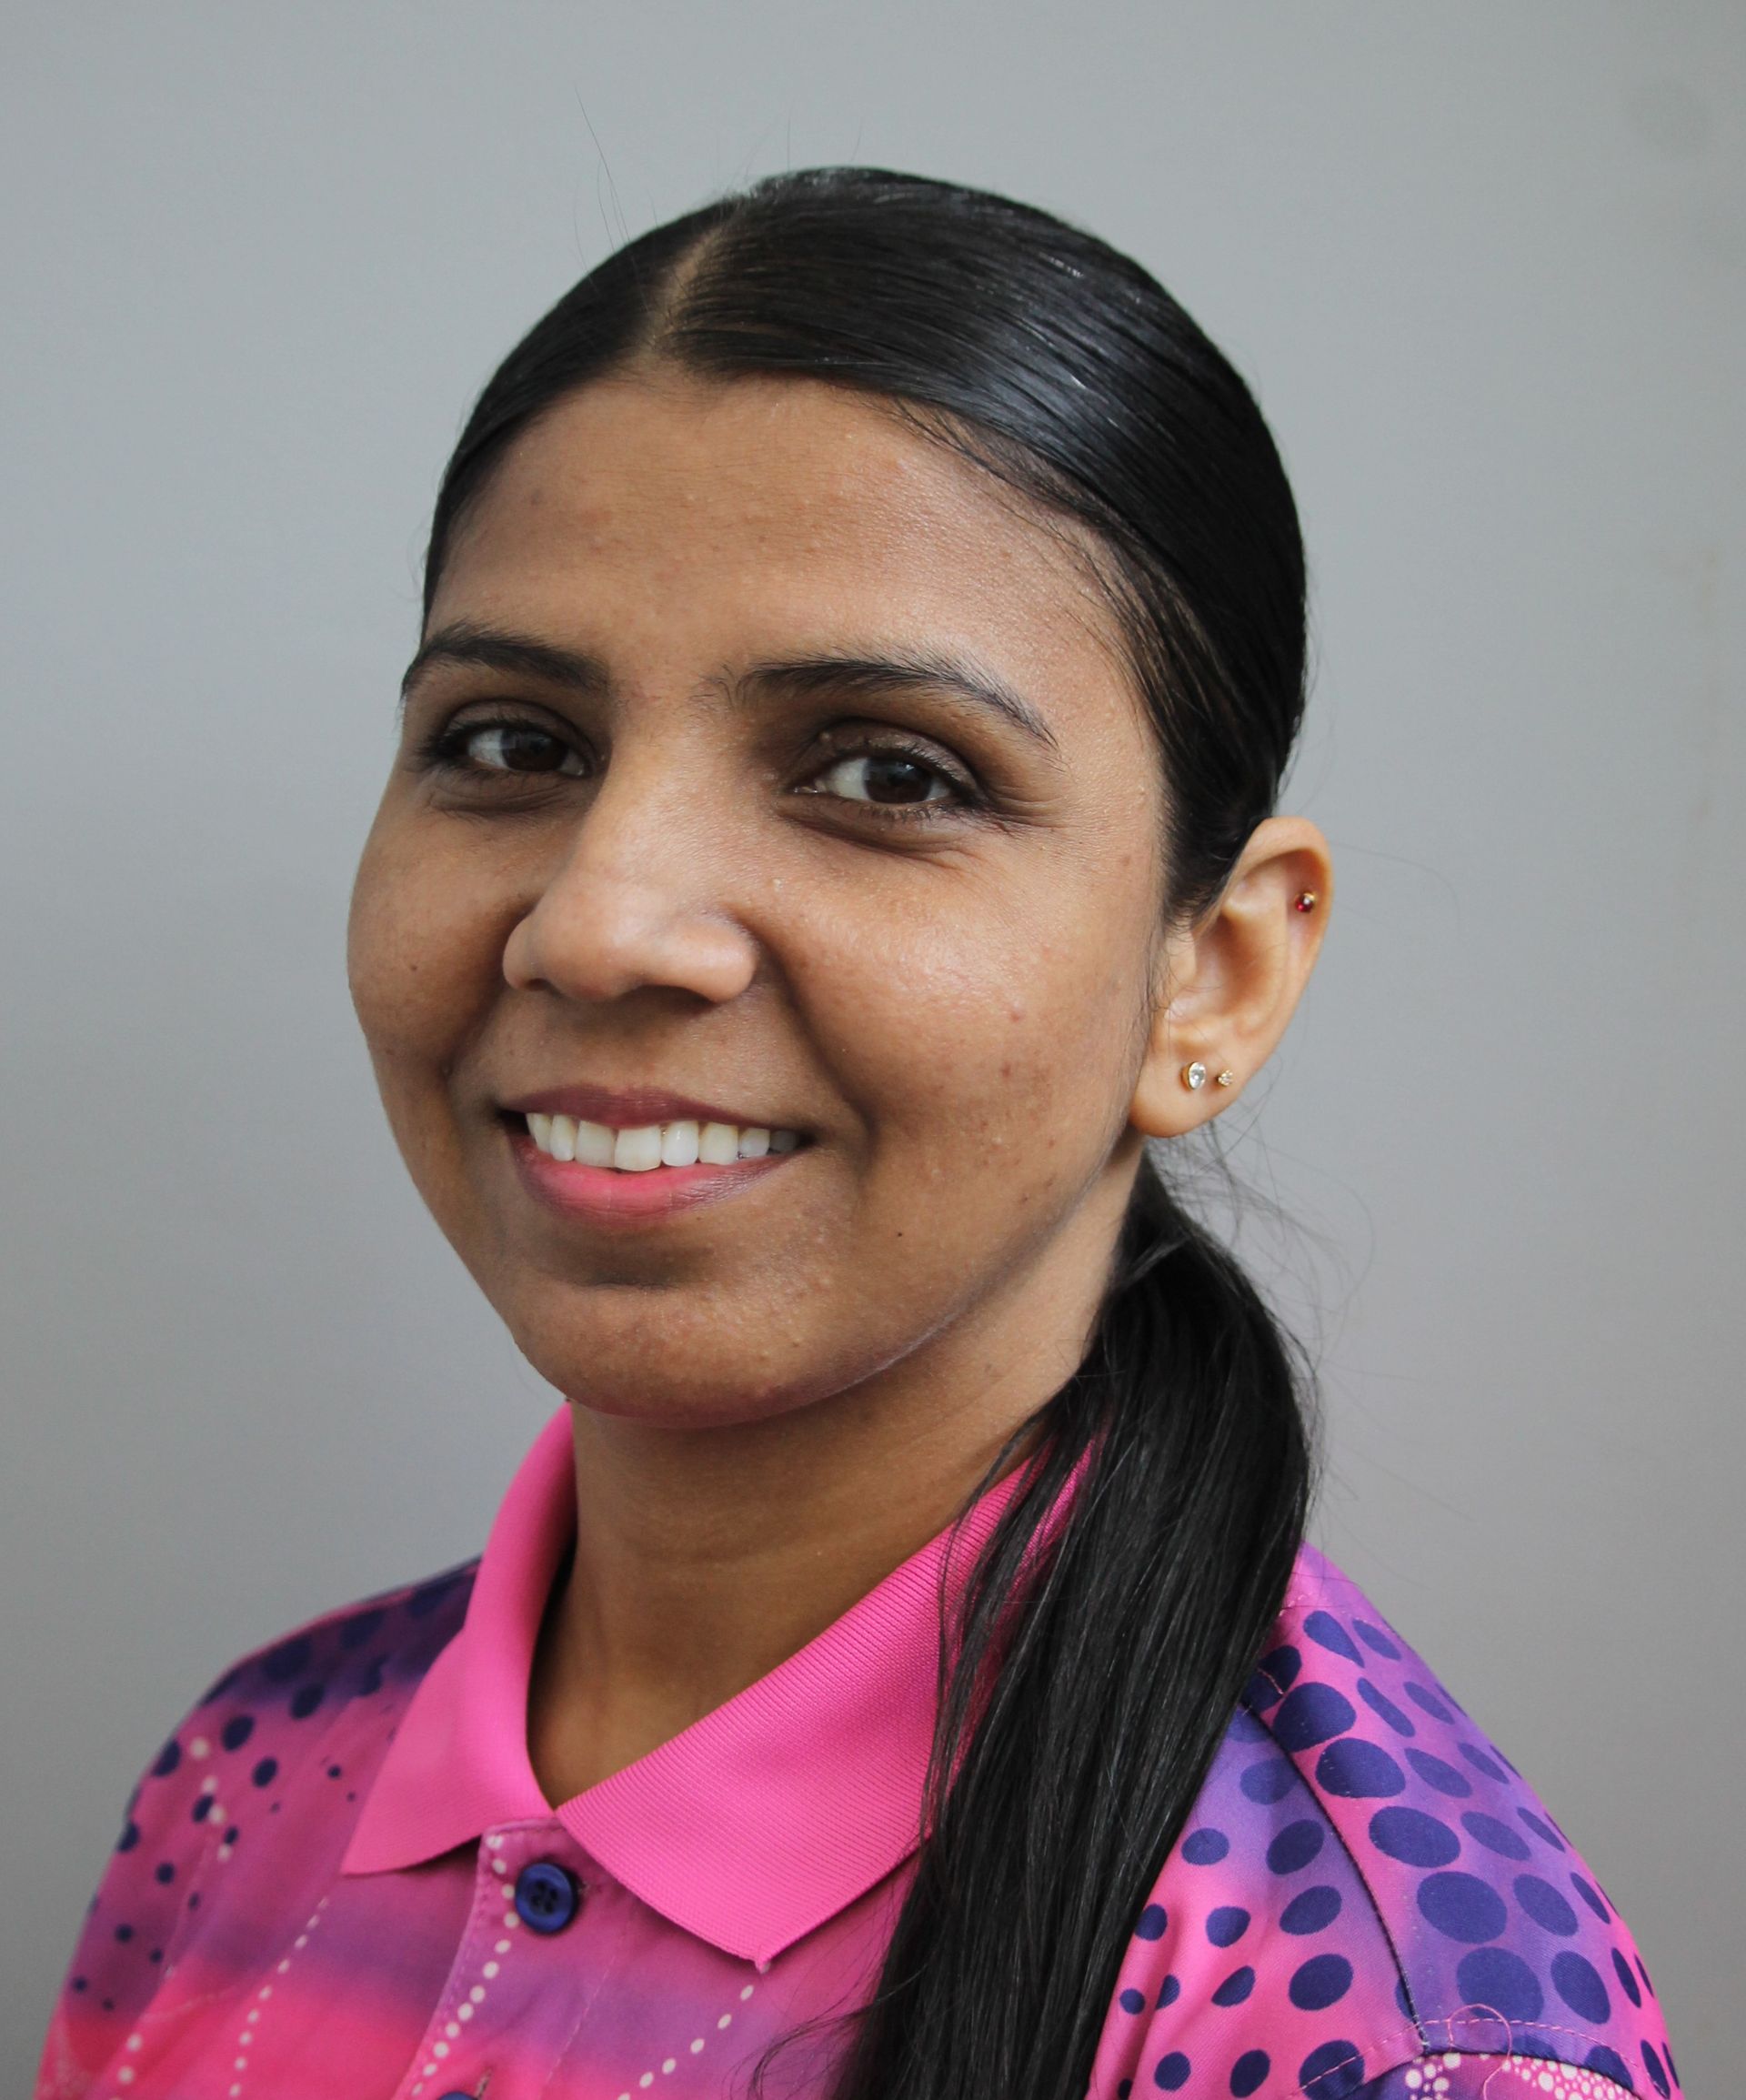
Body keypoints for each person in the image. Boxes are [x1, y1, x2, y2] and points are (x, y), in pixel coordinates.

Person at [36, 167, 1680, 2100]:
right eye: (511, 743)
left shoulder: (1394, 2032)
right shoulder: (244, 1785)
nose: (600, 923)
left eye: (890, 773)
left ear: (1214, 979)